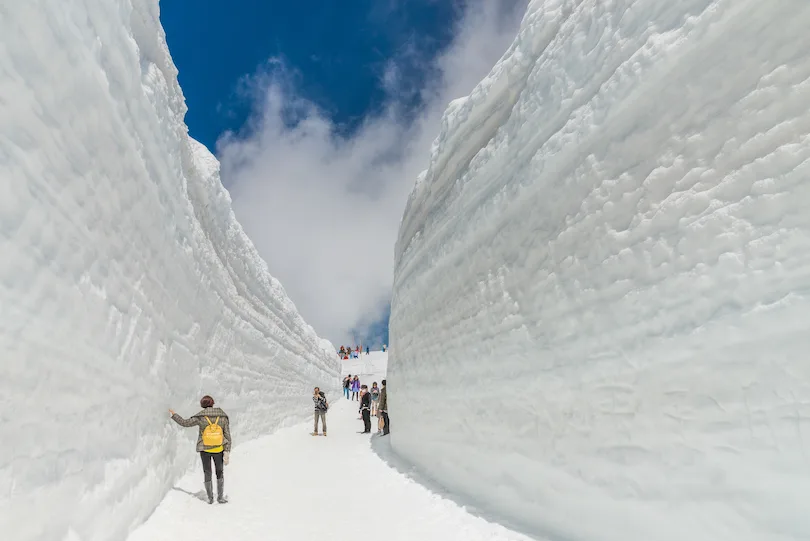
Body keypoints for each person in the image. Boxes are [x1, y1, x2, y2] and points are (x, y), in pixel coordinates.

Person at [169, 395, 231, 504]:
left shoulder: (201, 417)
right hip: (218, 449)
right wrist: (227, 451)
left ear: (203, 405)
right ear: (213, 403)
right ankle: (220, 497)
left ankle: (210, 498)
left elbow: (185, 423)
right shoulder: (223, 417)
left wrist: (174, 415)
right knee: (219, 472)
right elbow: (227, 435)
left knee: (207, 472)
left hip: (205, 449)